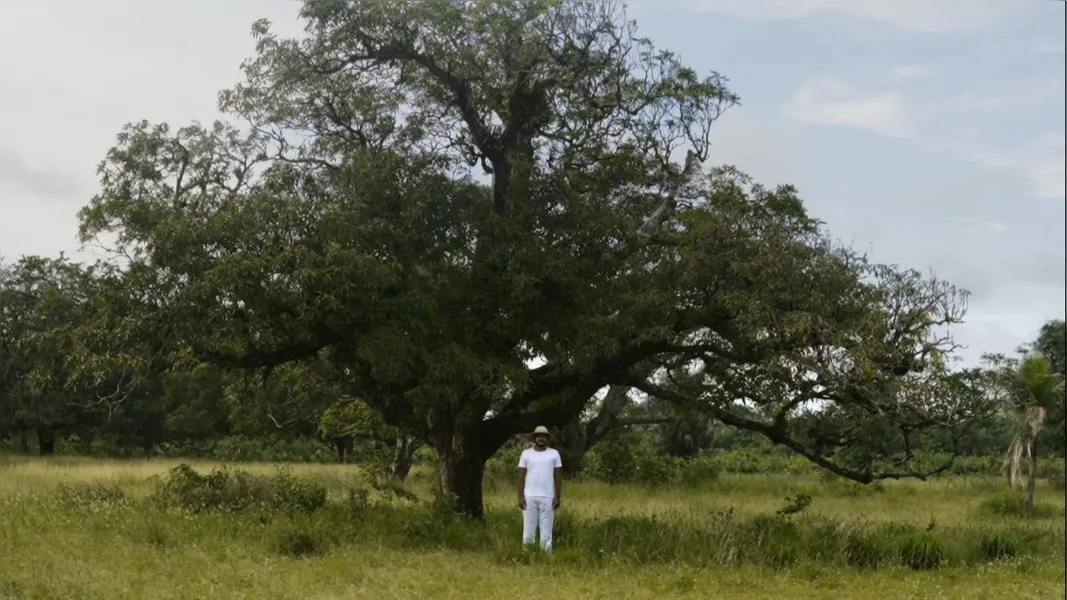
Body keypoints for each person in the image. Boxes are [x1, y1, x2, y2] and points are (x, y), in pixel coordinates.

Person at [517, 425, 562, 551]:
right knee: (528, 528)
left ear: (547, 438)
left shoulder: (554, 454)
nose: (541, 439)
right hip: (529, 496)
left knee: (546, 529)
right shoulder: (526, 454)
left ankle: (545, 556)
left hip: (548, 496)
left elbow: (558, 476)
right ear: (534, 438)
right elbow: (521, 475)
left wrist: (557, 497)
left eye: (543, 436)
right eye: (538, 436)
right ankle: (527, 554)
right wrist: (520, 497)